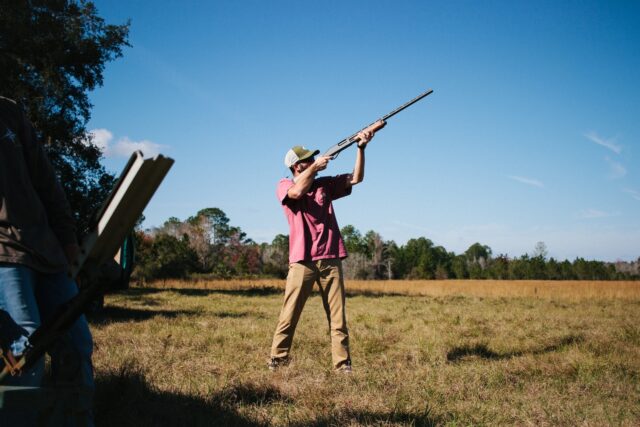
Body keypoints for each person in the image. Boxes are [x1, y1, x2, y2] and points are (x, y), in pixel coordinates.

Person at [0, 96, 94, 405]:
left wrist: (68, 240)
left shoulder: (9, 111)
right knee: (25, 349)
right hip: (4, 255)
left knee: (77, 343)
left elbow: (46, 180)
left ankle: (78, 420)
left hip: (47, 250)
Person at [269, 128, 375, 373]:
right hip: (302, 261)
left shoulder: (324, 185)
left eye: (313, 158)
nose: (313, 160)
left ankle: (342, 365)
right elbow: (295, 193)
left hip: (330, 258)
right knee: (290, 314)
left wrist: (361, 147)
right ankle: (278, 359)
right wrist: (314, 169)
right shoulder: (284, 184)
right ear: (297, 166)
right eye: (307, 159)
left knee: (338, 318)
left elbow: (356, 178)